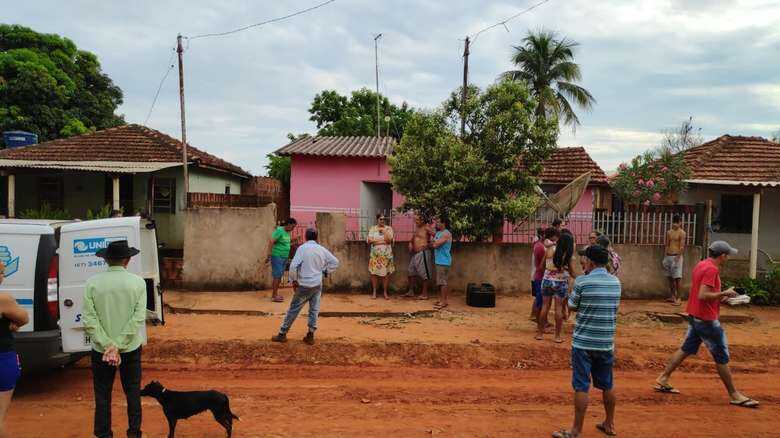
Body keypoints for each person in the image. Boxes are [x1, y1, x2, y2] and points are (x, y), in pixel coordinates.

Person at [654, 241, 759, 408]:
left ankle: (663, 378)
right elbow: (703, 295)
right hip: (707, 320)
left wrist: (724, 298)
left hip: (696, 315)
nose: (728, 258)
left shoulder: (702, 264)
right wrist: (725, 293)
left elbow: (702, 293)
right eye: (727, 255)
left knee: (686, 349)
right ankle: (734, 394)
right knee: (721, 356)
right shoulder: (712, 269)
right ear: (722, 255)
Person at [553, 245, 622, 438]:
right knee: (607, 384)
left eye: (585, 259)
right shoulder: (616, 282)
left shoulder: (583, 282)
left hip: (584, 342)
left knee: (582, 385)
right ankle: (609, 423)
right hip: (606, 341)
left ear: (590, 261)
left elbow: (573, 306)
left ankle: (576, 430)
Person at [81, 240, 147, 438]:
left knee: (102, 394)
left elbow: (89, 319)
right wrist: (118, 345)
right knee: (133, 392)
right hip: (130, 349)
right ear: (127, 260)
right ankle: (134, 433)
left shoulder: (92, 283)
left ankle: (103, 434)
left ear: (106, 260)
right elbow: (138, 318)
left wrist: (108, 345)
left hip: (101, 350)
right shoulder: (138, 283)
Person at [272, 228, 339, 345]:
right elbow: (335, 262)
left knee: (293, 309)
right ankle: (310, 334)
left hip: (304, 284)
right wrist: (325, 271)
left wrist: (294, 281)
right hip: (317, 284)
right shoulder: (321, 249)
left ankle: (282, 334)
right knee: (314, 309)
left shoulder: (302, 249)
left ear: (306, 237)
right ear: (316, 237)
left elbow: (293, 267)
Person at [0, 260, 29, 438]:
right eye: (2, 273)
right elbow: (24, 318)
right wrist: (11, 323)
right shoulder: (3, 299)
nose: (3, 277)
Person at [538, 230, 577, 343]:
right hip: (560, 282)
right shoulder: (567, 255)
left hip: (547, 281)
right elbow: (572, 273)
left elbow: (541, 266)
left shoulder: (549, 249)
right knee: (558, 309)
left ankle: (540, 334)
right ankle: (557, 336)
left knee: (545, 306)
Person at [266, 218, 297, 302]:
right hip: (277, 256)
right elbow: (272, 241)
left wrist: (293, 242)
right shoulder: (279, 231)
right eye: (293, 227)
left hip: (284, 257)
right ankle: (274, 295)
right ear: (289, 224)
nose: (293, 229)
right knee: (277, 275)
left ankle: (276, 294)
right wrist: (269, 254)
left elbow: (285, 243)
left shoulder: (287, 233)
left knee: (279, 275)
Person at [404, 216, 434, 300]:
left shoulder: (427, 228)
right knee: (410, 272)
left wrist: (428, 245)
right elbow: (413, 238)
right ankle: (411, 291)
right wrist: (410, 243)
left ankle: (424, 294)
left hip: (423, 253)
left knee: (424, 274)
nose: (415, 221)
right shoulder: (417, 228)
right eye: (415, 220)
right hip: (415, 254)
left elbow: (436, 236)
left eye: (417, 220)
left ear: (422, 220)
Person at [367, 214, 395, 300]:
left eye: (383, 219)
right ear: (377, 220)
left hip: (386, 256)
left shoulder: (388, 228)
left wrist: (384, 232)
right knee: (374, 273)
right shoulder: (373, 228)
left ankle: (385, 292)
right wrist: (382, 241)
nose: (382, 221)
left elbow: (389, 240)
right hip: (375, 256)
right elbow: (369, 240)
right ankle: (374, 291)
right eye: (380, 219)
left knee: (385, 274)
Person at [663, 215, 687, 305]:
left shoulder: (682, 233)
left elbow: (682, 246)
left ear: (680, 223)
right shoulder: (669, 232)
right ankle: (672, 296)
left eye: (677, 222)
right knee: (669, 278)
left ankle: (679, 298)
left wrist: (677, 258)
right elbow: (667, 245)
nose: (676, 224)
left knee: (677, 278)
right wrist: (665, 257)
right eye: (674, 222)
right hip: (668, 256)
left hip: (677, 256)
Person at [431, 217, 453, 309]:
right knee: (440, 282)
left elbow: (435, 245)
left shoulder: (446, 233)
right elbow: (434, 243)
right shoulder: (439, 233)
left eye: (439, 222)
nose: (437, 223)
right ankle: (442, 300)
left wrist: (434, 242)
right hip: (439, 260)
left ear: (444, 223)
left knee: (443, 282)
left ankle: (444, 302)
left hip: (444, 261)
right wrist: (434, 242)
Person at [530, 228, 546, 322]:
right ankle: (537, 318)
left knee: (538, 297)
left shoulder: (537, 245)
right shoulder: (540, 247)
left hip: (536, 274)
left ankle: (534, 316)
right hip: (538, 275)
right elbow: (540, 266)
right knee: (539, 298)